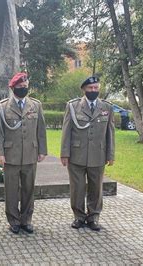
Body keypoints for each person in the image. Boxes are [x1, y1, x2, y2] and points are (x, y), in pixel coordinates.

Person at [0, 72, 47, 234]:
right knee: (11, 190)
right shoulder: (2, 107)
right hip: (11, 156)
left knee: (29, 189)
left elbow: (41, 130)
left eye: (25, 86)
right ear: (13, 88)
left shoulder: (35, 105)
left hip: (30, 153)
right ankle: (13, 220)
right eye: (20, 87)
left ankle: (26, 220)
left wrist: (42, 150)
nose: (23, 89)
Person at [60, 76, 115, 231]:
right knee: (77, 188)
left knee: (96, 188)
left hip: (98, 154)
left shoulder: (106, 107)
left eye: (96, 88)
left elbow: (110, 133)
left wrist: (110, 155)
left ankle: (93, 217)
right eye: (90, 88)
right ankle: (79, 217)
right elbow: (66, 131)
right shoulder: (73, 106)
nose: (93, 91)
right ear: (84, 89)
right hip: (77, 154)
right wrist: (65, 153)